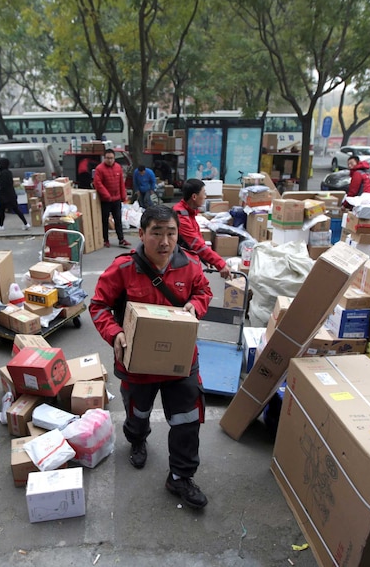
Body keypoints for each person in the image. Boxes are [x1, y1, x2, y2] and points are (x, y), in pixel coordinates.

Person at [89, 204, 212, 509]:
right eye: (156, 233)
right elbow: (99, 306)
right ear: (142, 234)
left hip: (180, 360)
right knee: (137, 413)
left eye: (171, 233)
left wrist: (195, 305)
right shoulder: (122, 268)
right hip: (137, 362)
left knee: (187, 419)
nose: (165, 241)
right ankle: (137, 438)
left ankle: (181, 477)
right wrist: (115, 333)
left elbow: (204, 292)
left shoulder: (190, 266)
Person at [173, 178, 231, 278]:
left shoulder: (188, 213)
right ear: (194, 196)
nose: (205, 196)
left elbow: (197, 240)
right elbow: (196, 243)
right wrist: (220, 263)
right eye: (203, 193)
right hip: (177, 265)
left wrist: (204, 257)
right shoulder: (181, 216)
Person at [93, 148, 129, 247]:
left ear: (114, 158)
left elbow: (121, 183)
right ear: (104, 158)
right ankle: (106, 240)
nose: (110, 160)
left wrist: (123, 196)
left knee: (118, 220)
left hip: (116, 199)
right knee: (105, 221)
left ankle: (121, 239)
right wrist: (106, 195)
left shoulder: (118, 167)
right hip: (106, 200)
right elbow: (98, 183)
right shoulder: (99, 169)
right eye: (108, 158)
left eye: (112, 158)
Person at [0, 158, 29, 230]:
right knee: (16, 209)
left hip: (4, 195)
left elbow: (2, 185)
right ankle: (26, 223)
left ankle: (1, 225)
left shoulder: (2, 174)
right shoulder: (9, 172)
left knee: (2, 210)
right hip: (11, 194)